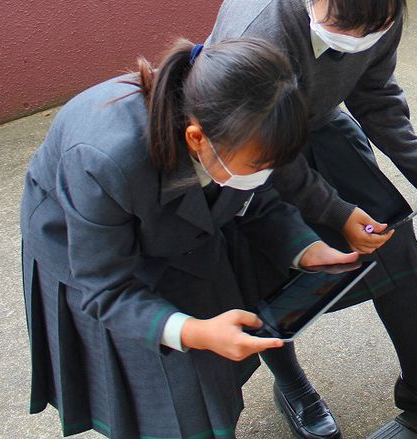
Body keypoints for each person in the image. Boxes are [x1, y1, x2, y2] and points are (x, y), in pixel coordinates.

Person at [207, 0, 417, 438]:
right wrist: (335, 213)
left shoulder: (379, 8)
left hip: (320, 122)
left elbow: (376, 96)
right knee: (268, 276)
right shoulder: (263, 31)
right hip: (250, 143)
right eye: (343, 26)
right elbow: (272, 155)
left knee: (392, 240)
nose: (357, 38)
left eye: (373, 27)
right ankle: (291, 384)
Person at [21, 38, 359, 439]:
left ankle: (283, 383)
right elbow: (106, 287)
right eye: (258, 164)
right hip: (86, 247)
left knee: (215, 347)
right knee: (171, 392)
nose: (267, 174)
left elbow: (256, 195)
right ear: (197, 139)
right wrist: (194, 331)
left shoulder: (235, 128)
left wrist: (306, 248)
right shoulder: (106, 160)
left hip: (177, 215)